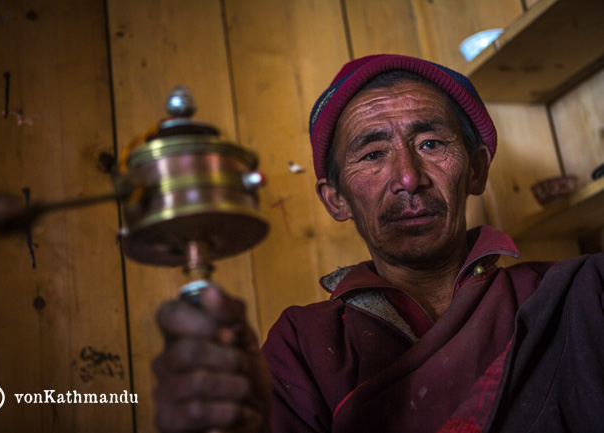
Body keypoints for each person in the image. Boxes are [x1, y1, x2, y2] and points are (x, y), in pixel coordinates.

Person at [152, 54, 604, 433]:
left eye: (430, 143)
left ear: (475, 171)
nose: (408, 177)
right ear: (336, 199)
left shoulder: (573, 295)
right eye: (372, 154)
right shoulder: (305, 344)